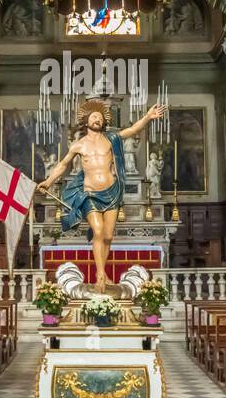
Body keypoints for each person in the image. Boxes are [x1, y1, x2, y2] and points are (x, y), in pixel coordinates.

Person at [36, 98, 166, 291]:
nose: (97, 119)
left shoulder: (111, 139)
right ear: (86, 122)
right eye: (93, 117)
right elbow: (63, 165)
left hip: (112, 192)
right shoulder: (78, 145)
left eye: (99, 117)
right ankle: (99, 275)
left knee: (107, 236)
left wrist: (148, 116)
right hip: (90, 193)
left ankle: (103, 271)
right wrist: (48, 181)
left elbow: (132, 131)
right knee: (97, 231)